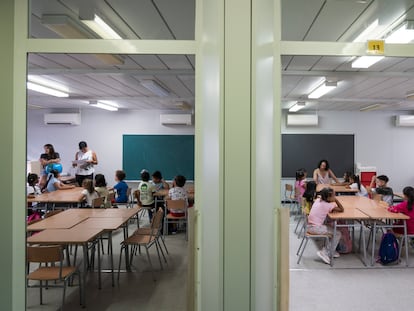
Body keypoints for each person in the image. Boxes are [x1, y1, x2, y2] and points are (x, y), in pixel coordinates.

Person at [307, 187, 344, 265]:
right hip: (315, 228)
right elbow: (341, 209)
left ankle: (331, 250)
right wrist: (336, 200)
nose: (335, 196)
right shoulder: (328, 206)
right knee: (337, 233)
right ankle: (325, 252)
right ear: (328, 197)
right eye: (334, 195)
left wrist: (333, 200)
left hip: (310, 226)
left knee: (332, 228)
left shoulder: (318, 200)